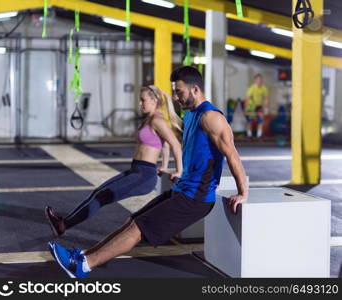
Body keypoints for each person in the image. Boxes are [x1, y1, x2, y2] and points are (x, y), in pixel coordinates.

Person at [48, 66, 248, 278]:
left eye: (179, 92)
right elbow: (190, 149)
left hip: (196, 198)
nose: (176, 97)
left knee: (138, 229)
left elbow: (232, 154)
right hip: (182, 190)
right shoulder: (191, 115)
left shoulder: (211, 117)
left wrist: (243, 191)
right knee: (132, 221)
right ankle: (82, 256)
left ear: (195, 89)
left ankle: (83, 265)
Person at [45, 85, 183, 236]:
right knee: (98, 192)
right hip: (135, 170)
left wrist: (178, 171)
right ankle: (63, 222)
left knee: (101, 197)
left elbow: (175, 144)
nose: (140, 103)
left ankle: (63, 225)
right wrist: (163, 165)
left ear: (154, 100)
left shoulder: (157, 120)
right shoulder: (149, 120)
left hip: (144, 176)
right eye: (140, 100)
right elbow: (164, 145)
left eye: (143, 100)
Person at [245, 74, 269, 138]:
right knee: (249, 121)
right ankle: (249, 135)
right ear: (255, 80)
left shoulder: (264, 88)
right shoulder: (251, 88)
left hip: (259, 106)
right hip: (251, 106)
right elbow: (247, 98)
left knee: (261, 120)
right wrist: (246, 108)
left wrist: (266, 107)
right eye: (258, 80)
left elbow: (266, 98)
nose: (259, 81)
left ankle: (259, 135)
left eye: (260, 80)